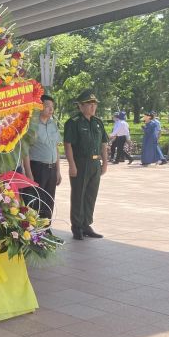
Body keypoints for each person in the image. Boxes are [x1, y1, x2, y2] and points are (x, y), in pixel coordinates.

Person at [63, 90, 107, 241]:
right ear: (80, 106)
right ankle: (77, 226)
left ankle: (86, 224)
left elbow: (103, 144)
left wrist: (105, 163)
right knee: (78, 195)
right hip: (80, 163)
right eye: (89, 104)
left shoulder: (98, 122)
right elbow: (68, 145)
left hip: (95, 163)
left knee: (90, 195)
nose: (92, 107)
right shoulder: (73, 122)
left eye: (94, 104)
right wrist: (72, 165)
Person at [22, 94, 62, 234]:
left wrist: (58, 171)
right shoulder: (31, 125)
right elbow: (25, 150)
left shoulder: (52, 124)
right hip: (37, 168)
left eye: (52, 107)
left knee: (49, 200)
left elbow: (55, 147)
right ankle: (34, 231)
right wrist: (28, 173)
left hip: (51, 168)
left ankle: (47, 229)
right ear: (40, 107)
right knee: (36, 200)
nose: (50, 109)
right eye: (47, 106)